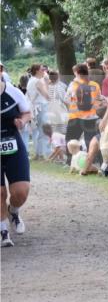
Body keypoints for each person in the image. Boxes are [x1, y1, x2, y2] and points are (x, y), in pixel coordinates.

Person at [1, 74, 32, 247]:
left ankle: (13, 212)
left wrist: (22, 121)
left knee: (21, 191)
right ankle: (3, 231)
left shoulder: (13, 92)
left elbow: (27, 113)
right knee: (0, 193)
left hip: (13, 145)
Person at [64, 64, 103, 149]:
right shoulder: (95, 85)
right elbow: (99, 100)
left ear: (77, 73)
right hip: (92, 117)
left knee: (71, 139)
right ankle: (93, 156)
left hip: (76, 116)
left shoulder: (73, 85)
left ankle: (73, 155)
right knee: (91, 141)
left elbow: (66, 100)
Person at [25, 64, 50, 159]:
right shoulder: (38, 81)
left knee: (39, 131)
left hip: (36, 107)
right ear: (37, 71)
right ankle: (45, 153)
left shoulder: (31, 80)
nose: (44, 70)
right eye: (42, 69)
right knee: (44, 131)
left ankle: (39, 153)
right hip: (41, 107)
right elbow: (46, 95)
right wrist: (47, 81)